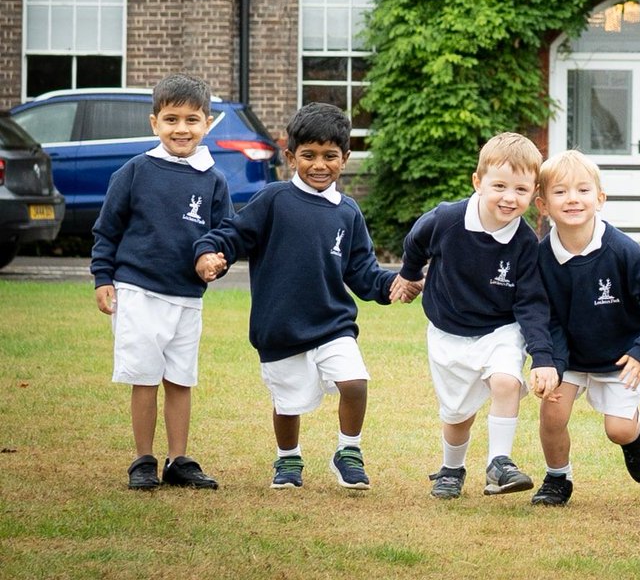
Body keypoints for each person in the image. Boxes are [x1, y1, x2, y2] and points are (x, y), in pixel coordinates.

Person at [194, 102, 402, 491]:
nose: (319, 165)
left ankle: (349, 452)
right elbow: (232, 235)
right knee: (287, 404)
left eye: (330, 156)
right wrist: (209, 253)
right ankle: (288, 459)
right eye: (308, 155)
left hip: (333, 323)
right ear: (291, 157)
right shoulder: (274, 200)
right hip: (281, 326)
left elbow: (362, 271)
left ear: (345, 158)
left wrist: (393, 285)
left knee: (355, 382)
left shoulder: (348, 213)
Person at [395, 132, 558, 500]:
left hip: (500, 329)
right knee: (456, 416)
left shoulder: (525, 244)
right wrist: (408, 273)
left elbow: (531, 303)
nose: (508, 197)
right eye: (499, 185)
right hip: (448, 331)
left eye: (520, 189)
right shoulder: (447, 219)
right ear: (477, 182)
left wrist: (542, 357)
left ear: (534, 195)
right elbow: (416, 242)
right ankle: (452, 468)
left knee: (506, 381)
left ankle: (500, 463)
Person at [91, 73, 230, 491]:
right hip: (138, 290)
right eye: (171, 120)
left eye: (192, 120)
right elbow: (107, 229)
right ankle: (143, 460)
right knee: (145, 377)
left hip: (187, 296)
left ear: (206, 123)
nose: (181, 129)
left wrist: (215, 263)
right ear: (155, 124)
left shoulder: (213, 180)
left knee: (181, 379)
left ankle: (178, 459)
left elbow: (224, 235)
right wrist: (102, 277)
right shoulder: (134, 172)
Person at [530, 150, 640, 506]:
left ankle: (637, 434)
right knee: (552, 413)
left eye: (583, 190)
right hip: (567, 357)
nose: (572, 199)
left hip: (618, 356)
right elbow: (541, 315)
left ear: (600, 198)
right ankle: (557, 479)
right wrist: (549, 362)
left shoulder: (622, 250)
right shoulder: (539, 258)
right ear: (542, 204)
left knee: (618, 430)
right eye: (560, 192)